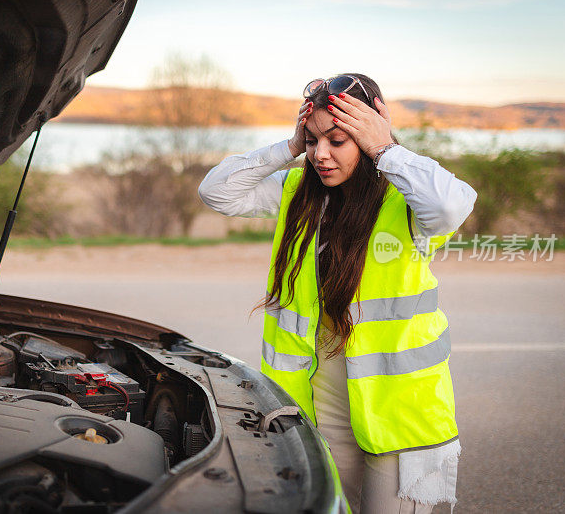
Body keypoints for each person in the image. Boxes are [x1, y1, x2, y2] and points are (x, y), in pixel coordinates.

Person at [198, 74, 477, 513]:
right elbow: (217, 192)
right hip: (319, 398)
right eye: (313, 140)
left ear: (369, 134)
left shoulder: (406, 201)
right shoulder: (298, 193)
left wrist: (387, 150)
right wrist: (288, 147)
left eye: (338, 139)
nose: (320, 155)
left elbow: (451, 206)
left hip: (397, 408)